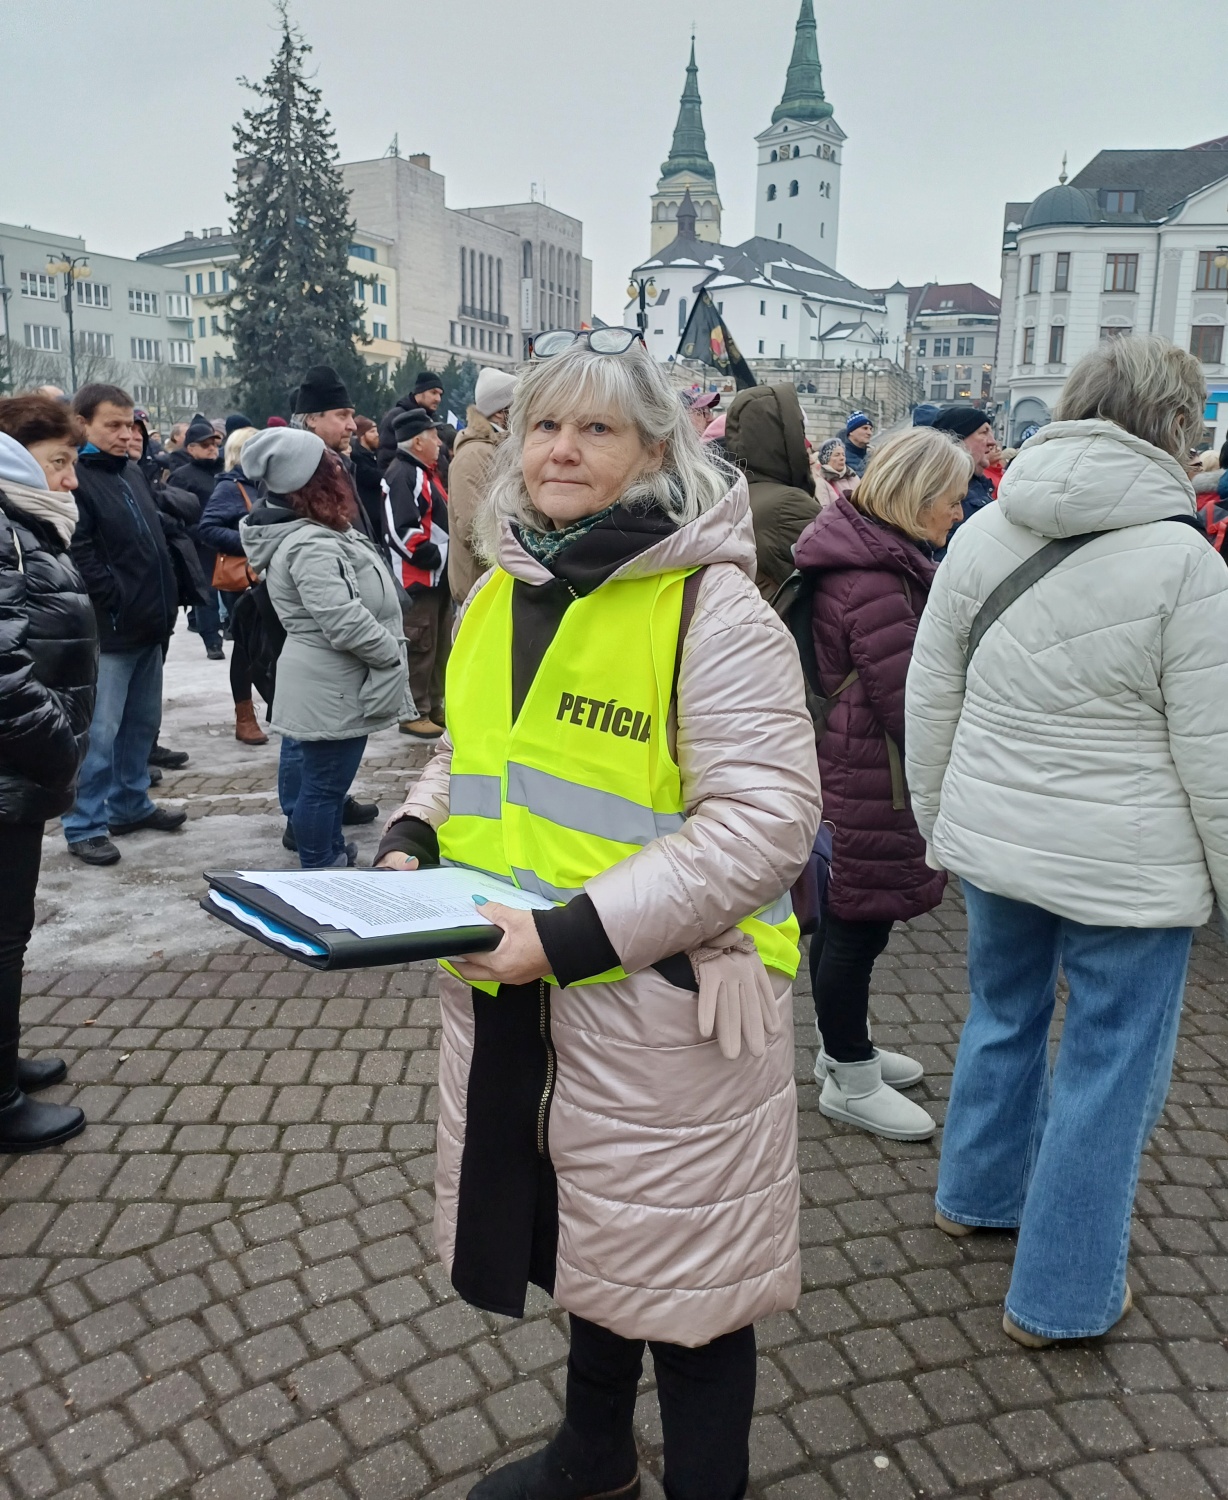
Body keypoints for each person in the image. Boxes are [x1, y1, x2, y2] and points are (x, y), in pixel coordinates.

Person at [373, 335, 821, 1500]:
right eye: (542, 426)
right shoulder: (504, 590)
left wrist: (570, 935)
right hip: (511, 981)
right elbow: (477, 756)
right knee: (586, 1229)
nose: (561, 449)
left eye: (596, 429)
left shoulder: (711, 611)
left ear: (656, 448)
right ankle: (594, 1452)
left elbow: (765, 823)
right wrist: (411, 837)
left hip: (665, 1005)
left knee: (692, 1276)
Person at [904, 334, 1228, 1348]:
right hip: (1126, 871)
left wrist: (937, 822)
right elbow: (1215, 755)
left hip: (997, 839)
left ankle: (977, 1194)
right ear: (1176, 429)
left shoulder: (985, 530)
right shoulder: (1184, 560)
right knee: (1107, 1066)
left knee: (1001, 1014)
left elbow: (931, 693)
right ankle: (1060, 1295)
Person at [793, 428, 971, 1141]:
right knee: (854, 932)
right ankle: (849, 1075)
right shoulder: (875, 578)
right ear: (917, 497)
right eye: (952, 501)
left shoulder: (866, 556)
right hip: (868, 780)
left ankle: (842, 1049)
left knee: (844, 926)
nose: (958, 515)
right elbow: (910, 706)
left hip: (854, 772)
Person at [239, 429, 410, 869]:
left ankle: (329, 849)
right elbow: (342, 620)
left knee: (325, 783)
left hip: (330, 678)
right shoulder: (309, 543)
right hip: (329, 682)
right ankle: (321, 867)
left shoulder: (315, 530)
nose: (340, 470)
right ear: (310, 480)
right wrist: (389, 652)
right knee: (323, 787)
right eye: (329, 465)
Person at [0, 397, 96, 1151]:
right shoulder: (7, 531)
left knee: (9, 933)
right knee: (1, 936)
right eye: (60, 462)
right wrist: (60, 741)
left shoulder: (24, 523)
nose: (69, 481)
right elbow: (3, 675)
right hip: (13, 767)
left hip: (18, 770)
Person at [62, 384, 185, 866]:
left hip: (148, 625)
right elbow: (81, 552)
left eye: (129, 423)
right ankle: (84, 823)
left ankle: (131, 804)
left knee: (141, 726)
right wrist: (112, 599)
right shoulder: (77, 478)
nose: (124, 433)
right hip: (111, 630)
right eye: (111, 425)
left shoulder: (130, 471)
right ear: (82, 425)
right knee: (99, 735)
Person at [197, 425, 268, 745]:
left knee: (270, 647)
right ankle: (245, 716)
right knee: (245, 650)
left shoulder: (266, 483)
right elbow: (208, 528)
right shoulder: (231, 486)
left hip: (269, 577)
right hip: (244, 582)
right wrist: (250, 543)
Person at [384, 406, 450, 738]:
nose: (439, 442)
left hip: (436, 578)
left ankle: (434, 705)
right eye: (433, 436)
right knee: (419, 646)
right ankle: (413, 712)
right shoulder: (403, 473)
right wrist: (434, 556)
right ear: (417, 442)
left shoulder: (426, 471)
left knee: (438, 646)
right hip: (418, 578)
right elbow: (401, 529)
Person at [724, 381, 820, 598]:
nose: (805, 442)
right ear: (783, 438)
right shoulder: (789, 505)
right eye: (800, 431)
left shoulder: (737, 495)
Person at [447, 366, 516, 606]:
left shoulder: (498, 448)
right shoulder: (474, 454)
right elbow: (472, 527)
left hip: (497, 585)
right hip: (478, 589)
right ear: (499, 414)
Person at [166, 413, 227, 660]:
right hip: (200, 542)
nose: (212, 448)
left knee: (234, 588)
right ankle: (212, 640)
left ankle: (232, 629)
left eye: (214, 443)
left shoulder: (225, 470)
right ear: (191, 448)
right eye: (205, 444)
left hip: (227, 538)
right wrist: (195, 533)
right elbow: (174, 513)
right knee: (208, 595)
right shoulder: (182, 476)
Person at [930, 406, 996, 544]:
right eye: (984, 432)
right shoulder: (939, 490)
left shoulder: (981, 486)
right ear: (957, 441)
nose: (992, 442)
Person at [378, 370, 447, 478]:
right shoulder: (396, 417)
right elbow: (386, 458)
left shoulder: (433, 420)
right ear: (419, 392)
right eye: (433, 392)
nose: (438, 399)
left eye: (440, 394)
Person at [350, 416, 384, 537]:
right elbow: (373, 477)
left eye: (376, 430)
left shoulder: (373, 456)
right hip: (369, 517)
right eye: (372, 431)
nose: (377, 434)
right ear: (362, 435)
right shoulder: (356, 458)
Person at [812, 437, 856, 505]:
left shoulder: (853, 476)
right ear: (826, 459)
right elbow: (824, 511)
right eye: (837, 455)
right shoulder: (821, 482)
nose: (842, 458)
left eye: (843, 454)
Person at [843, 411, 874, 476]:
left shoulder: (873, 456)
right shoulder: (841, 457)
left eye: (870, 429)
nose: (869, 433)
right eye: (865, 428)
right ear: (851, 431)